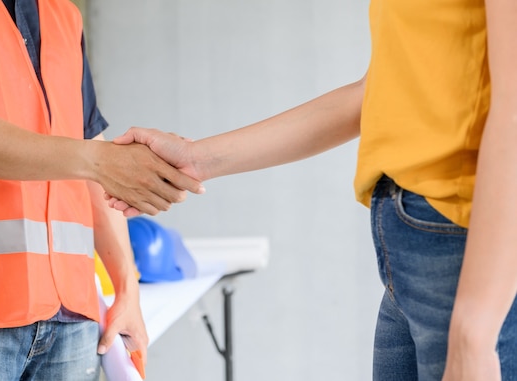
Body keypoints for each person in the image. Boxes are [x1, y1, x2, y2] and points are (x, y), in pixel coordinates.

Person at [107, 1, 517, 379]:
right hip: (408, 248)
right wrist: (196, 158)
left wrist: (475, 330)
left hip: (466, 250)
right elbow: (376, 93)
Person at [0, 0, 202, 379]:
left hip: (69, 318)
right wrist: (99, 160)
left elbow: (91, 146)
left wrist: (126, 287)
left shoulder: (62, 15)